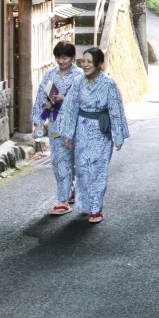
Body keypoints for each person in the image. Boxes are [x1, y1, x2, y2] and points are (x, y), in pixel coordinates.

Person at [60, 47, 129, 224]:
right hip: (82, 130)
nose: (85, 65)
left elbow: (116, 110)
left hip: (100, 130)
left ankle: (96, 209)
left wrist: (118, 135)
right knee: (82, 168)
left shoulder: (108, 83)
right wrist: (67, 133)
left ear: (99, 64)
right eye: (83, 61)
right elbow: (70, 108)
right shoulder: (78, 82)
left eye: (90, 62)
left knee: (97, 170)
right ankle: (85, 204)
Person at [31, 41, 85, 216]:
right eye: (58, 57)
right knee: (59, 160)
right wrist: (39, 123)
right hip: (54, 123)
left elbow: (85, 98)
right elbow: (41, 98)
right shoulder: (50, 74)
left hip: (75, 123)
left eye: (65, 57)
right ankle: (62, 199)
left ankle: (73, 190)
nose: (61, 61)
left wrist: (66, 99)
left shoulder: (79, 75)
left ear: (73, 57)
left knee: (77, 160)